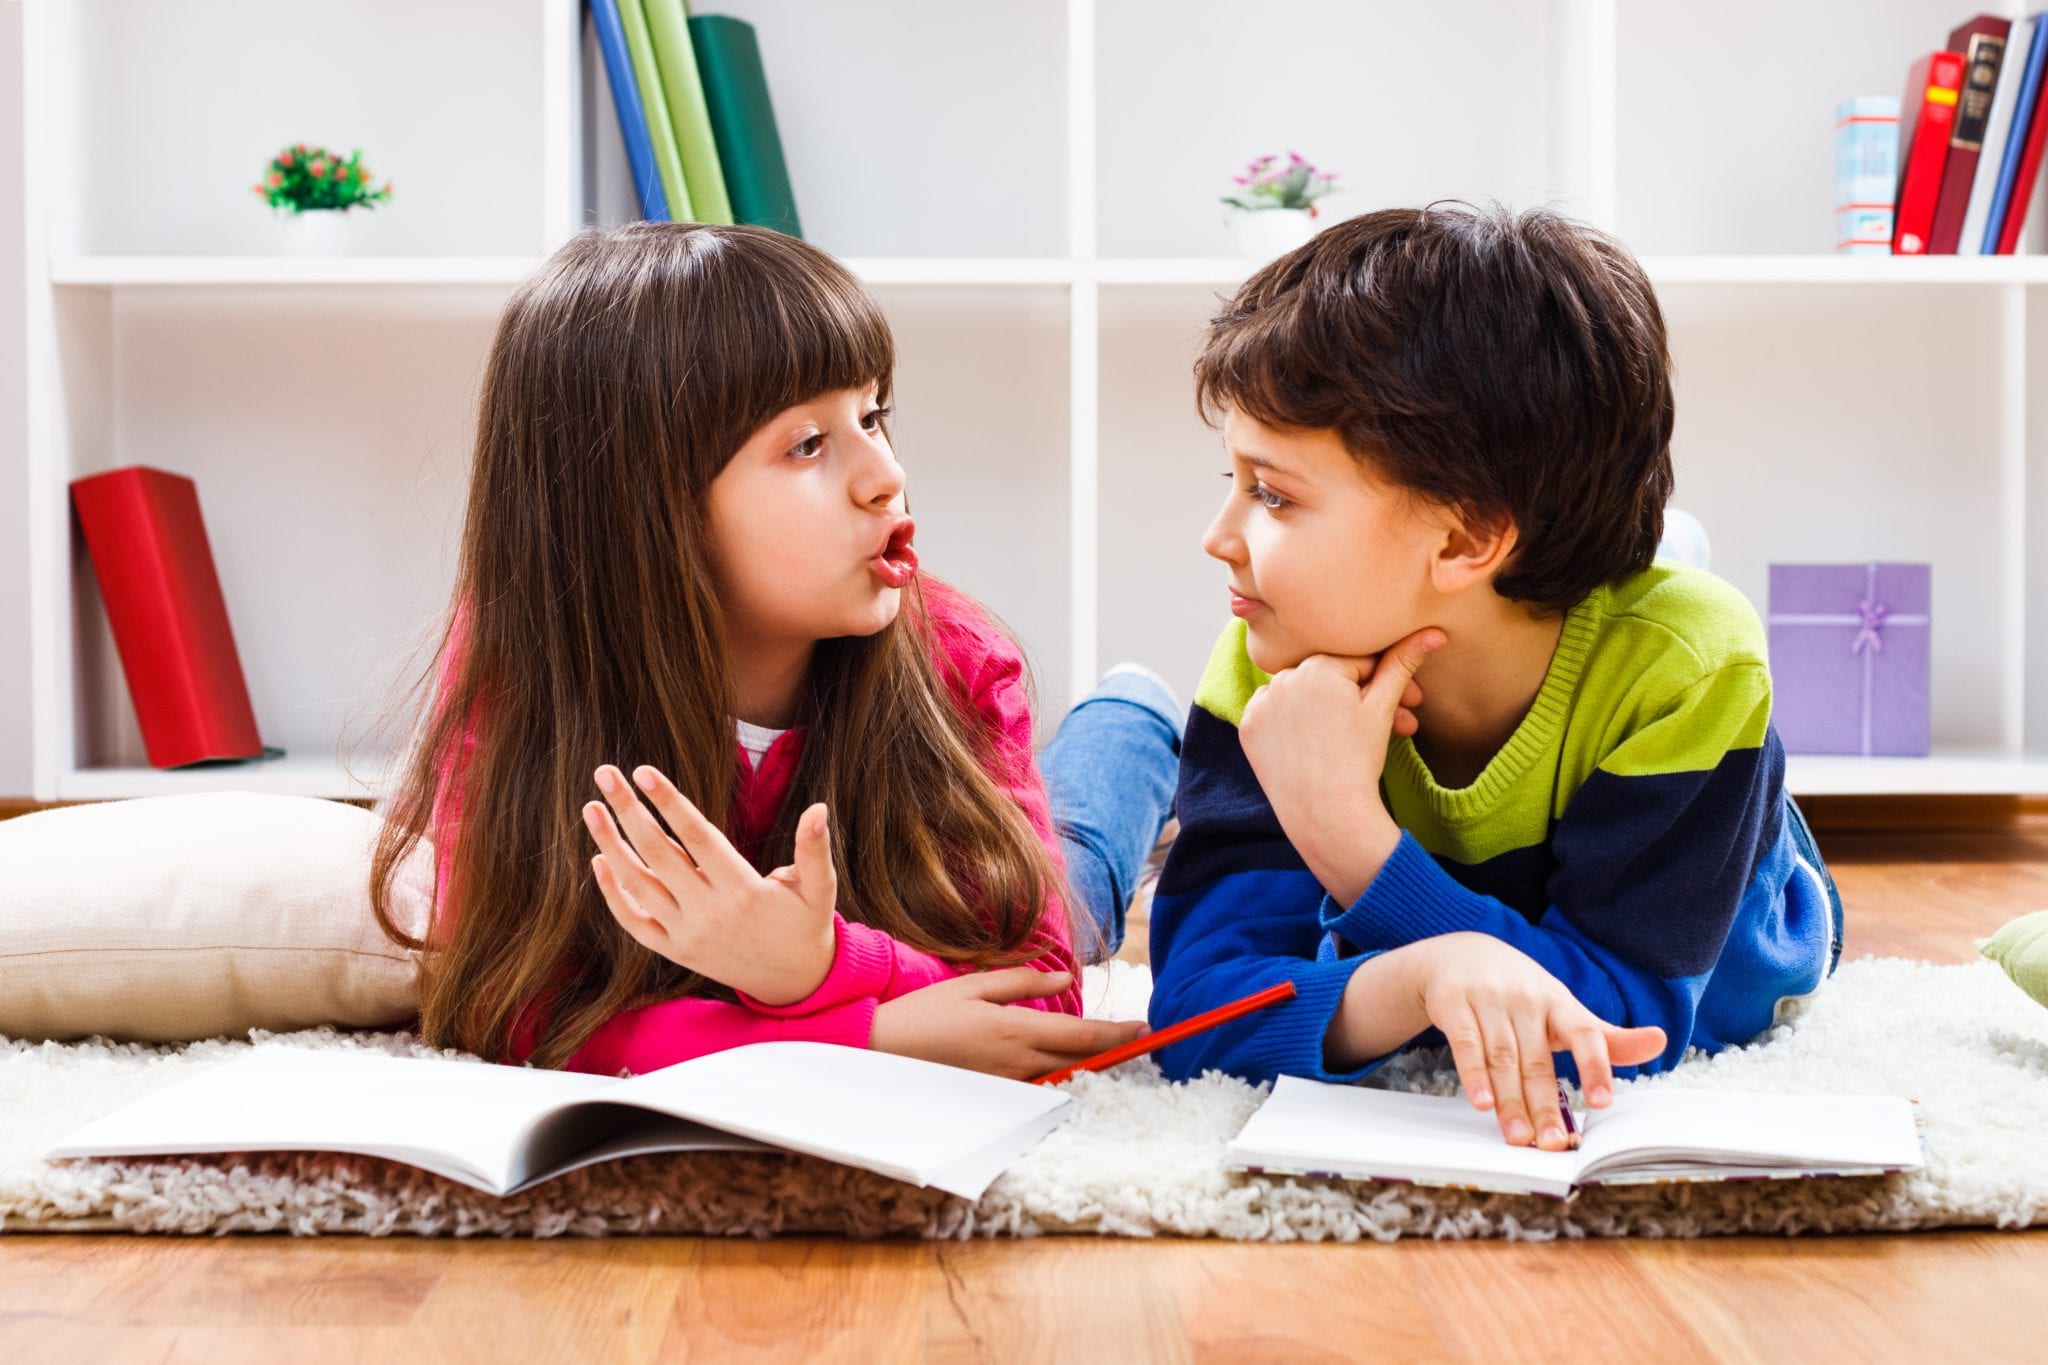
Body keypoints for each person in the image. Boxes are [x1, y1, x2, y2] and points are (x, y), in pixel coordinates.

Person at [367, 222, 1179, 1080]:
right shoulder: (524, 664)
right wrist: (859, 1034)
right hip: (895, 953)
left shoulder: (961, 664)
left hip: (926, 889)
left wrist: (823, 965)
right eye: (808, 444)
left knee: (1082, 868)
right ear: (642, 509)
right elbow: (506, 1001)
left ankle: (1135, 715)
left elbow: (1038, 993)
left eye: (872, 416)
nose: (886, 474)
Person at [1146, 203, 1844, 1148]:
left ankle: (1653, 563)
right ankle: (1599, 553)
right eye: (1232, 481)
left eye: (1272, 493)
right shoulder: (1274, 661)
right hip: (1497, 640)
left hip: (1737, 904)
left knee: (1674, 619)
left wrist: (1352, 840)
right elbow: (1194, 1014)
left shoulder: (1687, 669)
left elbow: (1622, 1033)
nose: (1217, 538)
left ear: (1468, 534)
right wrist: (1426, 972)